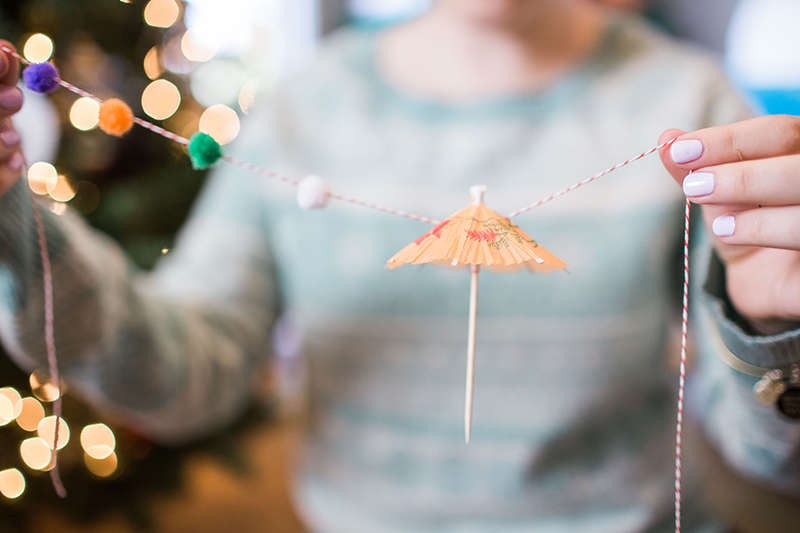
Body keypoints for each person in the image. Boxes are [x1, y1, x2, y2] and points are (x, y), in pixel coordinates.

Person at [1, 1, 799, 531]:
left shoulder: (693, 106)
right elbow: (182, 370)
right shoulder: (304, 107)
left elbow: (773, 454)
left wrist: (777, 329)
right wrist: (13, 215)